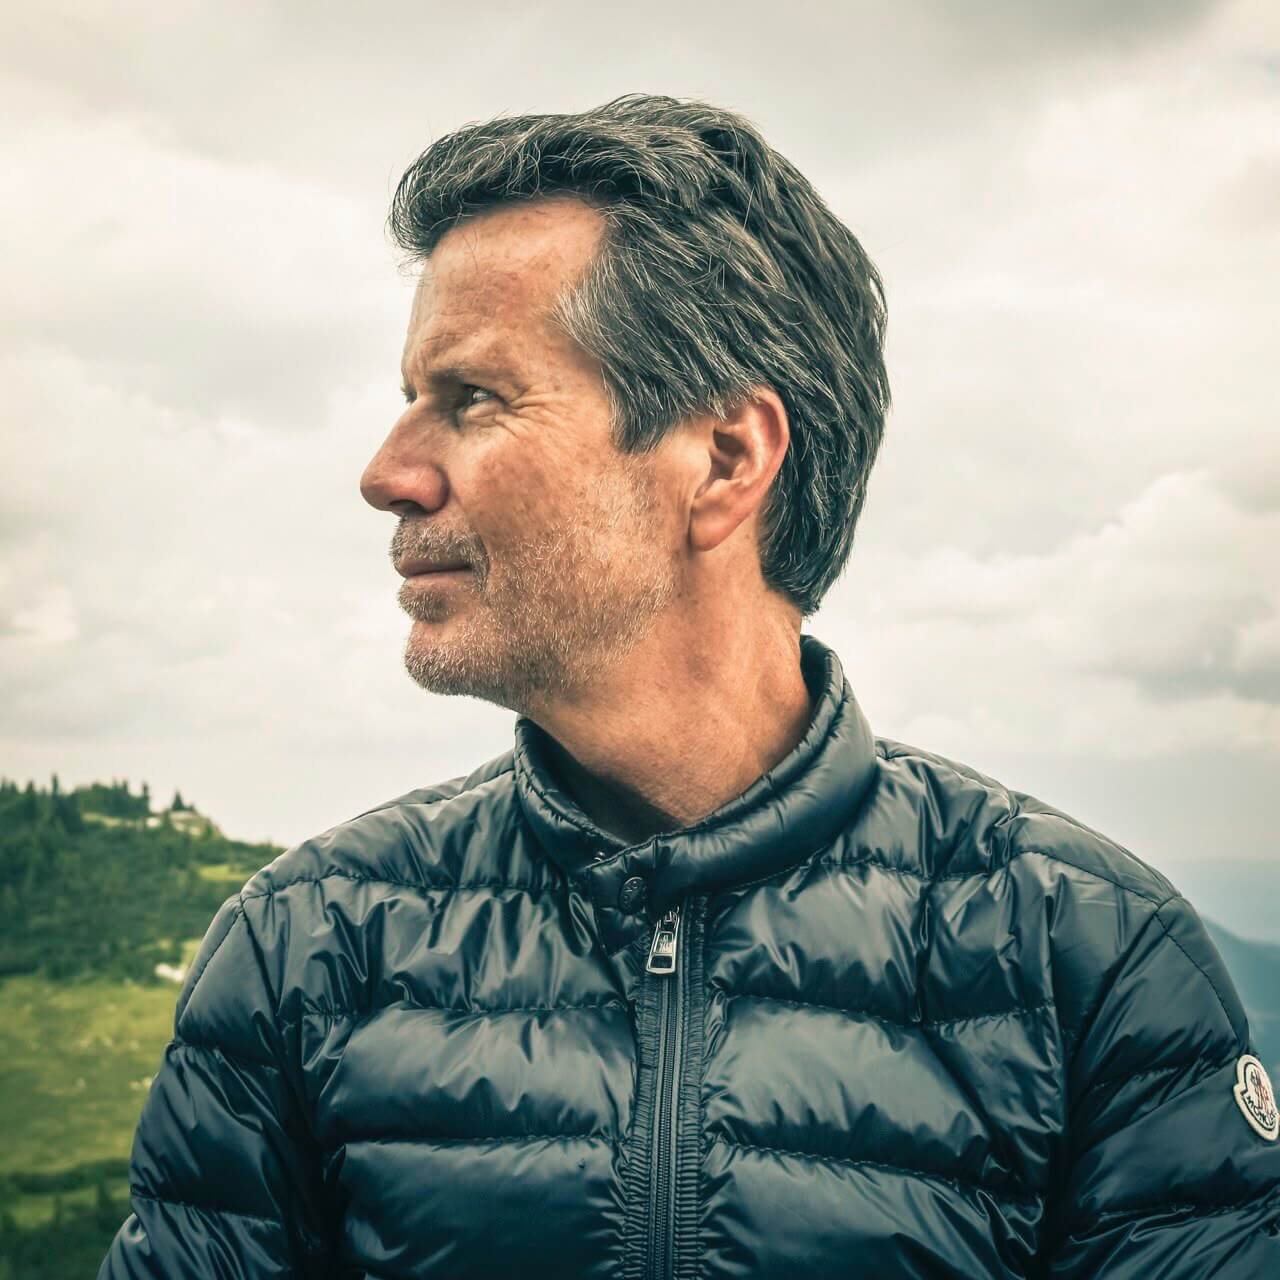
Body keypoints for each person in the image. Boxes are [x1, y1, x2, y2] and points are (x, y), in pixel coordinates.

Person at [98, 94, 1280, 1279]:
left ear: (723, 458)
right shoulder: (306, 946)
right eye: (411, 400)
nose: (388, 472)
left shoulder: (1090, 955)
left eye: (472, 399)